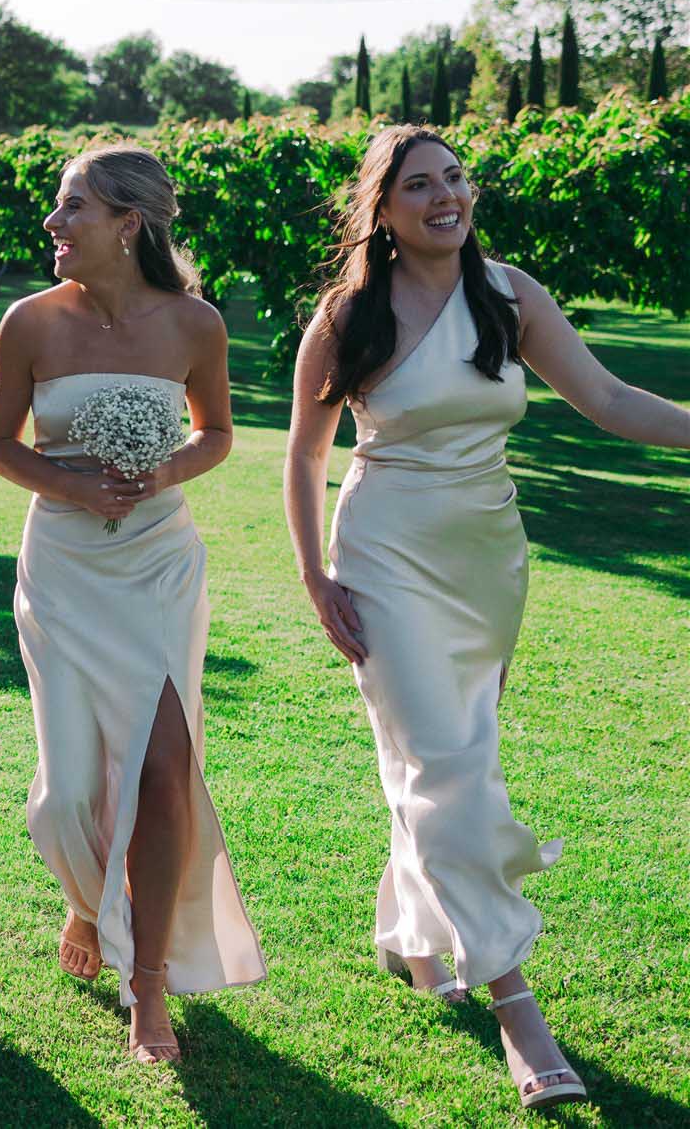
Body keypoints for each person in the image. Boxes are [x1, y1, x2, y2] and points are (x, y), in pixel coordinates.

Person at [284, 125, 688, 1109]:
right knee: (450, 769)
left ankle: (405, 930)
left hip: (485, 567)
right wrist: (311, 577)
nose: (443, 197)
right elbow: (301, 454)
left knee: (441, 761)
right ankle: (516, 1013)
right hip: (382, 559)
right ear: (379, 210)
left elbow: (601, 395)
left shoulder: (507, 296)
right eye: (417, 185)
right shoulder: (348, 315)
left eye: (454, 179)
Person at [0, 144, 264, 1064]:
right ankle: (84, 897)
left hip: (159, 563)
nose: (53, 227)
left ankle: (148, 984)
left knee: (164, 764)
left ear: (127, 224)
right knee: (66, 794)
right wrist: (71, 488)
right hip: (63, 567)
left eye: (71, 210)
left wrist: (163, 469)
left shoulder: (195, 324)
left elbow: (217, 433)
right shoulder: (28, 323)